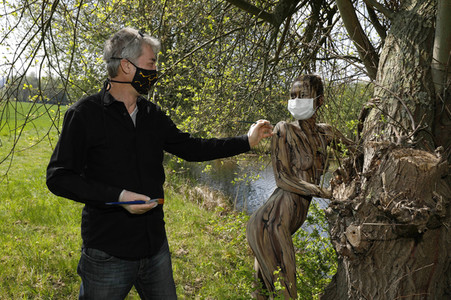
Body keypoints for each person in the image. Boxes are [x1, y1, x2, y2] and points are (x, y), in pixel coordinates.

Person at [46, 27, 273, 299]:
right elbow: (59, 177)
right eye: (151, 63)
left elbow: (191, 148)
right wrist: (118, 197)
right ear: (127, 67)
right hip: (107, 253)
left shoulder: (152, 115)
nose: (156, 70)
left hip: (155, 250)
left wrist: (246, 141)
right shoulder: (84, 114)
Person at [246, 75, 354, 299]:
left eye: (302, 95)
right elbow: (283, 179)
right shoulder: (284, 129)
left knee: (263, 293)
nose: (295, 100)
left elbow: (358, 152)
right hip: (271, 221)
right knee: (287, 291)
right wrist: (324, 192)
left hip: (287, 222)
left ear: (320, 100)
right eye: (292, 96)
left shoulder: (327, 133)